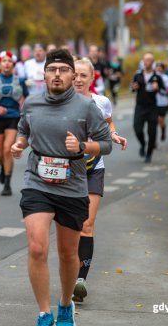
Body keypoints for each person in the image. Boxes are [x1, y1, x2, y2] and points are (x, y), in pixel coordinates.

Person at [10, 48, 112, 326]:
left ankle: (65, 305)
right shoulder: (31, 103)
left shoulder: (86, 107)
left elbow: (106, 144)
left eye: (63, 70)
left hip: (72, 186)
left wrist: (81, 146)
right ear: (44, 74)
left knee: (68, 254)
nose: (57, 75)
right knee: (37, 248)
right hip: (37, 182)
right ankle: (44, 313)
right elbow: (24, 129)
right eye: (52, 70)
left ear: (71, 74)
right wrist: (20, 144)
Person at [72, 58, 127, 304]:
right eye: (75, 75)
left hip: (94, 168)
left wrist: (113, 135)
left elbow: (107, 121)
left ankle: (80, 280)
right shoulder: (59, 102)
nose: (78, 80)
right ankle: (69, 272)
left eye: (83, 75)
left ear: (92, 78)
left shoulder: (101, 102)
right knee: (70, 227)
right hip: (66, 170)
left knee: (87, 224)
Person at [0, 50, 28, 196]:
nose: (6, 64)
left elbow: (28, 97)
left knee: (8, 149)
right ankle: (3, 167)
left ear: (13, 64)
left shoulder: (19, 80)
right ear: (0, 63)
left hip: (13, 116)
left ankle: (7, 183)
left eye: (9, 61)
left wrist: (25, 108)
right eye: (4, 61)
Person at [131, 52, 165, 163]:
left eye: (149, 60)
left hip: (152, 107)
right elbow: (132, 88)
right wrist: (134, 87)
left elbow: (165, 91)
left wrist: (158, 88)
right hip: (140, 106)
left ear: (152, 62)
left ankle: (149, 153)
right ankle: (142, 144)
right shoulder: (138, 75)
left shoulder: (157, 76)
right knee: (137, 129)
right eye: (145, 60)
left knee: (152, 132)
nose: (146, 62)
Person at [154, 62, 168, 142]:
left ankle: (163, 130)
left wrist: (160, 89)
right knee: (153, 122)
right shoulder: (152, 77)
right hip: (153, 103)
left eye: (160, 67)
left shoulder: (166, 78)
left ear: (163, 68)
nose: (158, 68)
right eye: (157, 67)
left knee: (160, 120)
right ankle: (154, 141)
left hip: (163, 102)